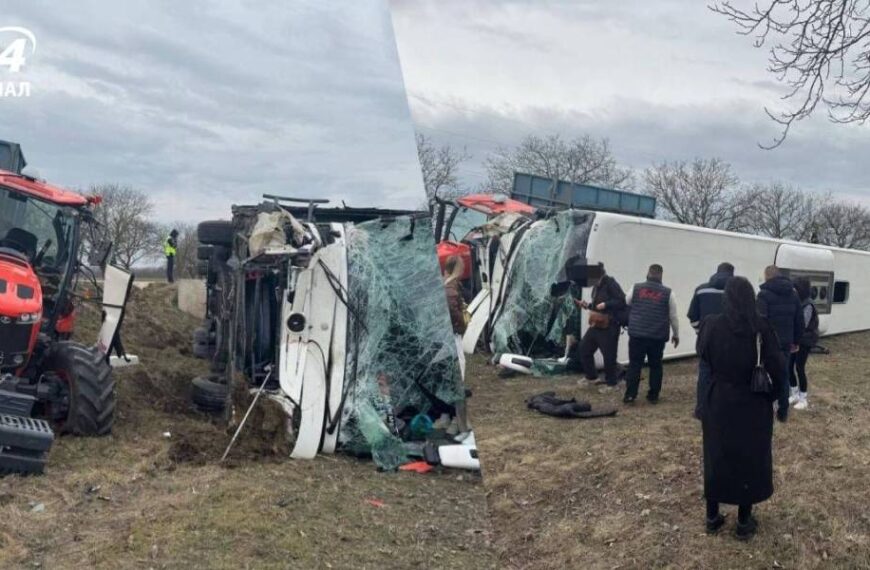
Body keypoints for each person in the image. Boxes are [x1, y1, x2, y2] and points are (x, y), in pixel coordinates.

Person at [697, 277, 786, 540]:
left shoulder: (711, 324)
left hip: (718, 401)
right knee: (750, 458)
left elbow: (703, 356)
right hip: (753, 403)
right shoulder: (761, 327)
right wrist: (781, 403)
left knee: (716, 456)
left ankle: (712, 516)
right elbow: (779, 369)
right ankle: (744, 522)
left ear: (726, 298)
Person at [623, 264, 679, 404]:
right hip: (657, 336)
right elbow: (673, 316)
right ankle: (653, 395)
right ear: (661, 275)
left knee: (635, 365)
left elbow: (626, 303)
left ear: (648, 273)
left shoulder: (635, 288)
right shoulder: (668, 293)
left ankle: (630, 395)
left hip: (637, 334)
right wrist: (676, 334)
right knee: (656, 365)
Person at [688, 262, 734, 419]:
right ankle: (725, 409)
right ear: (732, 274)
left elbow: (692, 315)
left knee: (705, 373)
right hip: (731, 341)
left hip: (707, 340)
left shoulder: (701, 290)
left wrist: (699, 331)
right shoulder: (738, 291)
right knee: (729, 375)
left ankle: (701, 409)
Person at [757, 265, 802, 422]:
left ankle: (767, 405)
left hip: (768, 344)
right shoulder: (794, 294)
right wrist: (796, 340)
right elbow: (799, 320)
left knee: (765, 374)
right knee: (783, 375)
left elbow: (760, 321)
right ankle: (783, 411)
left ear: (767, 276)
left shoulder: (763, 295)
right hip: (787, 343)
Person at [575, 266, 626, 387]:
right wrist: (586, 305)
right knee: (584, 348)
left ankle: (612, 383)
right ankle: (591, 377)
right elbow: (596, 306)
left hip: (610, 325)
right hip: (596, 323)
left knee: (609, 356)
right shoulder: (596, 287)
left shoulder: (611, 284)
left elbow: (621, 301)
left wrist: (606, 304)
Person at [443, 255, 470, 435]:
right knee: (458, 374)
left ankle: (454, 418)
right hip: (453, 336)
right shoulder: (451, 288)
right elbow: (454, 313)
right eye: (460, 266)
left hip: (451, 336)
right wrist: (462, 324)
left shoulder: (449, 285)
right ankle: (458, 421)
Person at [789, 277, 818, 411]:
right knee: (789, 367)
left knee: (799, 367)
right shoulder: (797, 302)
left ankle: (803, 398)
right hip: (795, 339)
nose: (793, 290)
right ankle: (794, 394)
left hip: (804, 340)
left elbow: (803, 324)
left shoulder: (808, 305)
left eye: (795, 288)